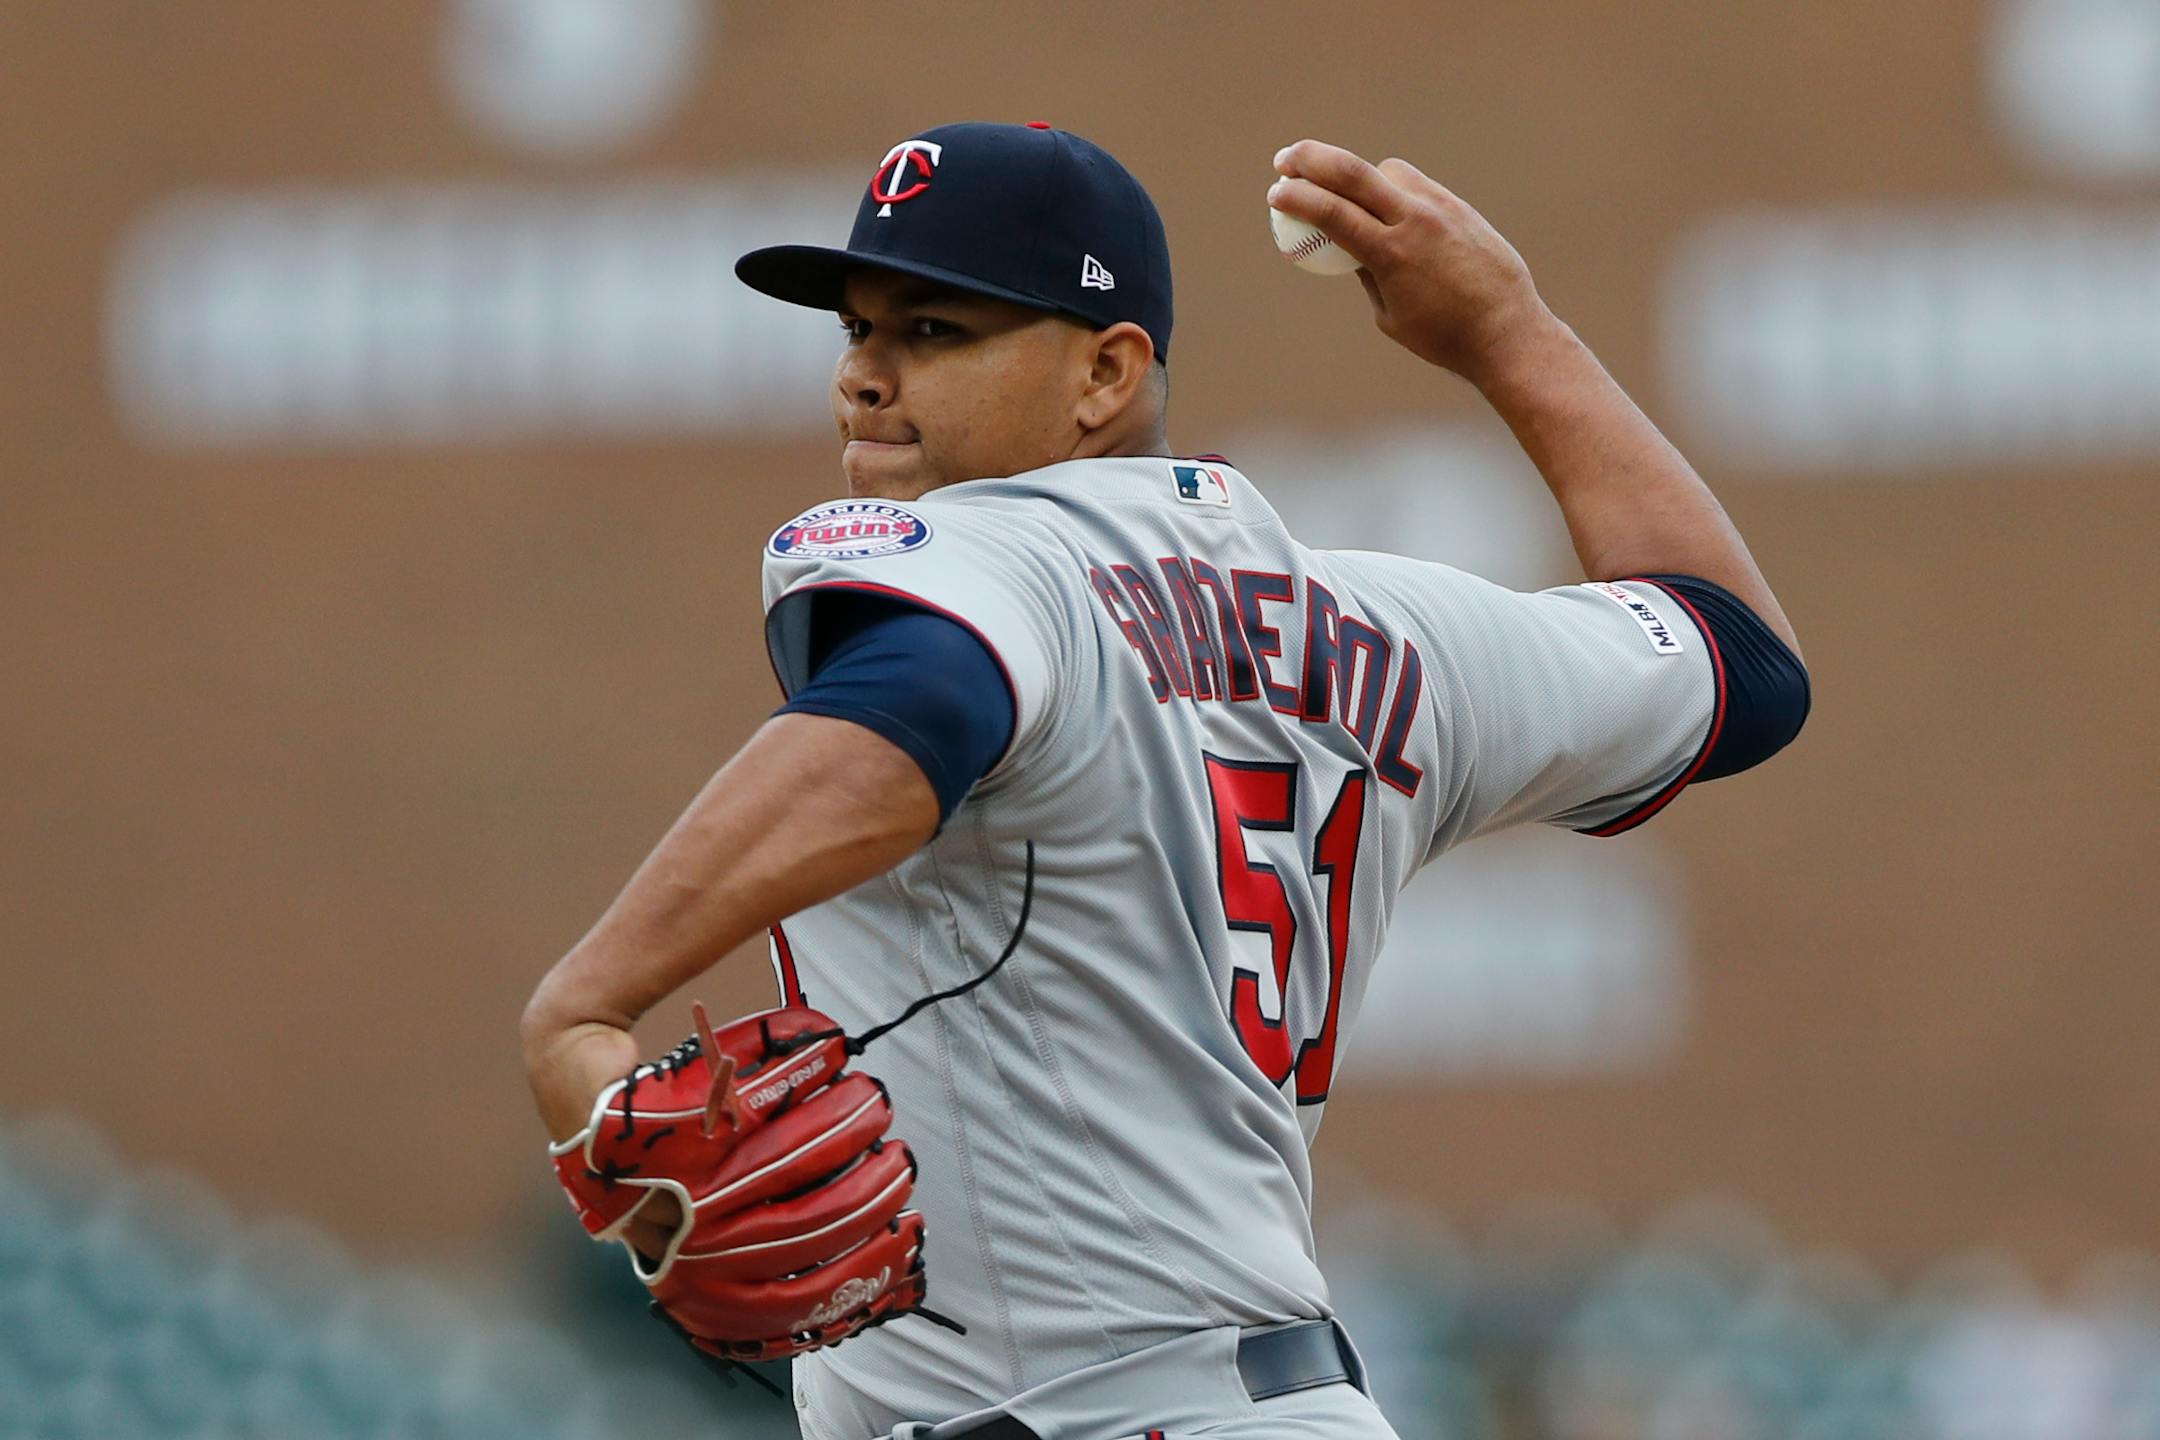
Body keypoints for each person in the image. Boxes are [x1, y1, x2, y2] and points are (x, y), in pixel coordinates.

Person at [521, 121, 1810, 1440]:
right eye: (856, 330)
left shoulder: (985, 561)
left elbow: (921, 701)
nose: (864, 377)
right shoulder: (1381, 625)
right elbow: (1736, 655)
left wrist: (589, 996)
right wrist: (1504, 332)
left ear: (1105, 373)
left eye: (933, 332)